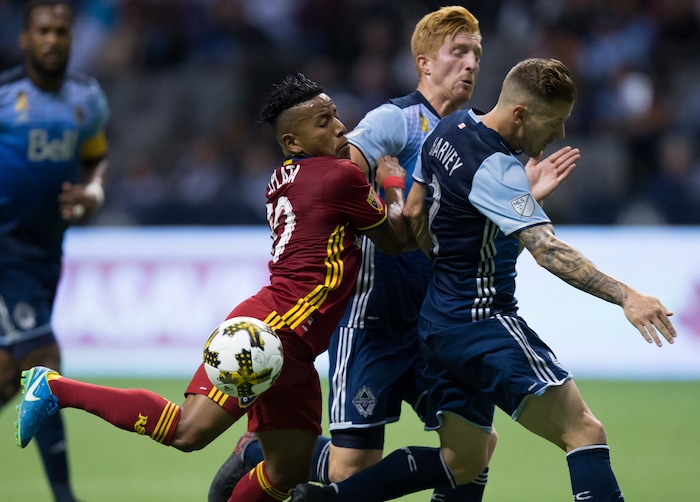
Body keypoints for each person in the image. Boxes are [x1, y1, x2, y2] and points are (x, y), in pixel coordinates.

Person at [211, 7, 582, 502]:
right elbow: (335, 174)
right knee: (350, 469)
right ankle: (260, 452)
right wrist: (388, 193)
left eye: (476, 53)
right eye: (458, 52)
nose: (471, 64)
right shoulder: (396, 119)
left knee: (472, 451)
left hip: (436, 320)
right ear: (424, 63)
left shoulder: (485, 140)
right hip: (374, 317)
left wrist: (526, 200)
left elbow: (473, 233)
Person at [290, 58, 677, 502]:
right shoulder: (498, 170)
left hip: (437, 325)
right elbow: (548, 250)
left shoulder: (449, 129)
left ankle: (328, 500)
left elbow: (415, 213)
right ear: (520, 114)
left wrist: (512, 204)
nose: (560, 135)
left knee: (464, 461)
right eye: (555, 122)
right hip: (483, 324)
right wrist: (626, 295)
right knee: (585, 432)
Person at [15, 72, 410, 502]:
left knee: (288, 468)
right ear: (293, 142)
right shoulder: (341, 178)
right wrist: (391, 182)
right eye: (323, 122)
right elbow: (395, 240)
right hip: (270, 333)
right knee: (189, 430)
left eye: (336, 116)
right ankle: (54, 387)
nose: (339, 128)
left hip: (290, 337)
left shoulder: (284, 176)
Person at [0, 1, 110, 501]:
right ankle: (65, 497)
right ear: (25, 39)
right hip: (6, 250)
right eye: (43, 31)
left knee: (6, 377)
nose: (52, 40)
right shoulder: (4, 99)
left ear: (71, 37)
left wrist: (92, 195)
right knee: (44, 360)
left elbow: (95, 163)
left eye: (61, 31)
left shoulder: (87, 100)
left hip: (47, 251)